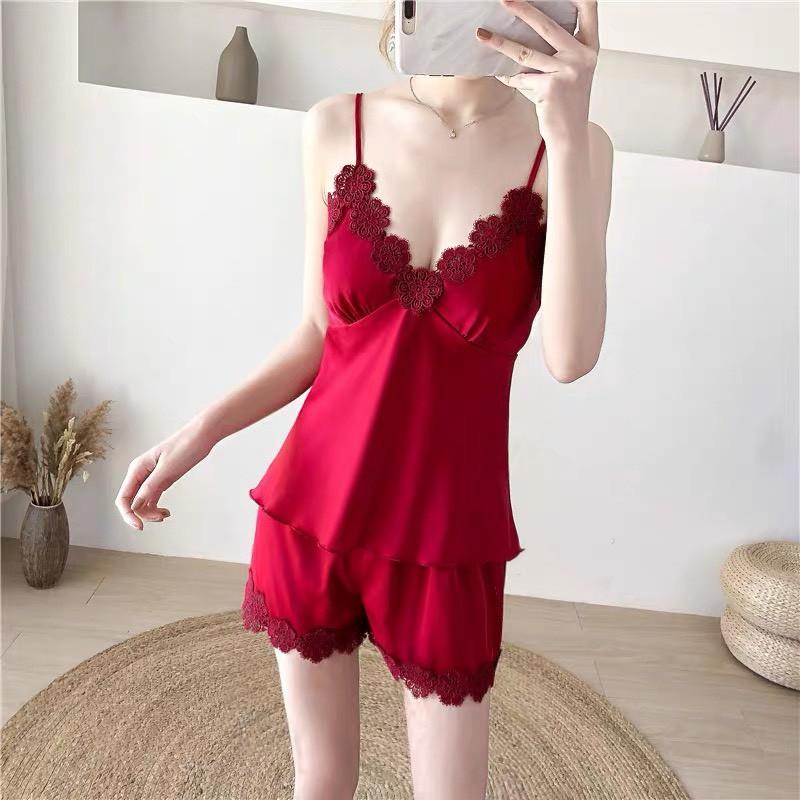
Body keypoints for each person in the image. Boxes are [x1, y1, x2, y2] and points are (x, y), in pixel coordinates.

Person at [115, 1, 612, 797]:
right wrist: (199, 433)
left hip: (448, 539)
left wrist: (568, 130)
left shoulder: (572, 149)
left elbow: (571, 356)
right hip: (312, 511)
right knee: (322, 781)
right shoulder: (333, 125)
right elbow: (316, 336)